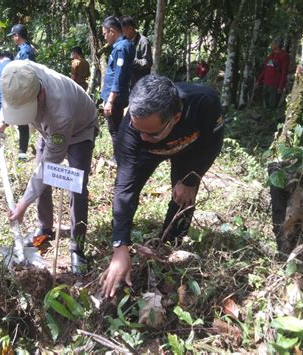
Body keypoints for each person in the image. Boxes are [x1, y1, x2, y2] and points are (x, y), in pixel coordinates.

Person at [100, 75, 224, 297]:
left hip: (189, 149)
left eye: (152, 132)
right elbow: (125, 189)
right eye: (139, 130)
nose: (144, 136)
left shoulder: (204, 104)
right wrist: (120, 246)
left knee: (184, 199)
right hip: (145, 156)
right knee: (129, 185)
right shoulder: (132, 134)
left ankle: (169, 250)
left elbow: (212, 144)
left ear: (175, 118)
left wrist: (190, 180)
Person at [0, 60, 98, 274]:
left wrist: (22, 204)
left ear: (41, 95)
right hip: (47, 129)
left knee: (76, 186)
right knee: (40, 182)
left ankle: (77, 247)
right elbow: (12, 99)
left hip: (79, 129)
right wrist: (3, 121)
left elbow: (47, 168)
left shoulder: (60, 113)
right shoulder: (16, 72)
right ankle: (44, 228)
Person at [101, 16, 135, 154]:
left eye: (104, 34)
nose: (104, 37)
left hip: (114, 97)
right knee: (117, 127)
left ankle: (119, 158)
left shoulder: (121, 48)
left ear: (111, 31)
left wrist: (110, 100)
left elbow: (118, 76)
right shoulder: (125, 45)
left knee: (115, 129)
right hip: (115, 95)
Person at [8, 23, 36, 160]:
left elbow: (24, 73)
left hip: (25, 90)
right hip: (24, 90)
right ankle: (22, 151)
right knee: (22, 122)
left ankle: (22, 153)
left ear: (17, 36)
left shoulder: (25, 51)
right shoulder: (24, 49)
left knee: (23, 122)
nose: (13, 39)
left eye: (13, 36)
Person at [256, 37, 290, 109]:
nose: (271, 45)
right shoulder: (271, 55)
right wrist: (258, 80)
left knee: (272, 105)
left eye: (272, 43)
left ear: (277, 45)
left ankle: (271, 118)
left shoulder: (284, 56)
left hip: (274, 84)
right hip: (266, 82)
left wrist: (280, 86)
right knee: (265, 102)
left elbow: (284, 72)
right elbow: (265, 69)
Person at [120, 15, 152, 86]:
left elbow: (148, 62)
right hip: (128, 83)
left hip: (141, 83)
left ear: (130, 28)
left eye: (124, 31)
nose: (123, 34)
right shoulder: (124, 41)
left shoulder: (143, 42)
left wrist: (134, 61)